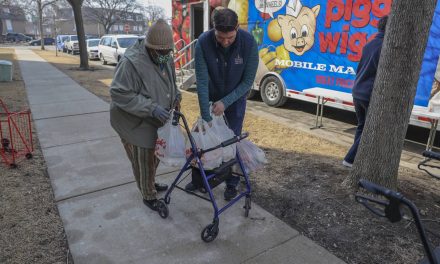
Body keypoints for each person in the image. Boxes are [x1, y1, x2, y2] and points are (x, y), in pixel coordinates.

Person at [185, 8, 258, 201]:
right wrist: (206, 114)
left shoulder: (249, 44)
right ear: (213, 30)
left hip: (234, 101)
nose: (225, 42)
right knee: (202, 141)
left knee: (231, 143)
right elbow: (201, 80)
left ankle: (231, 183)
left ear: (237, 28)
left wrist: (225, 102)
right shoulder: (203, 42)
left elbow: (247, 82)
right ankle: (201, 179)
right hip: (209, 99)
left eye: (230, 38)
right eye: (220, 37)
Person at [109, 19, 181, 211]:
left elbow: (171, 81)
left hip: (155, 120)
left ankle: (149, 182)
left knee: (154, 156)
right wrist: (151, 108)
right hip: (133, 121)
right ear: (150, 48)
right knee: (143, 159)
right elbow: (118, 93)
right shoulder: (131, 62)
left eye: (168, 52)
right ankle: (148, 195)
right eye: (162, 52)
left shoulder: (165, 56)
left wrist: (176, 95)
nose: (166, 56)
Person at [343, 16, 388, 168]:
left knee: (362, 126)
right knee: (368, 129)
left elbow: (361, 67)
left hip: (357, 90)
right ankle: (349, 159)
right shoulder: (386, 47)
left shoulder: (369, 45)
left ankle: (356, 159)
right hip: (369, 93)